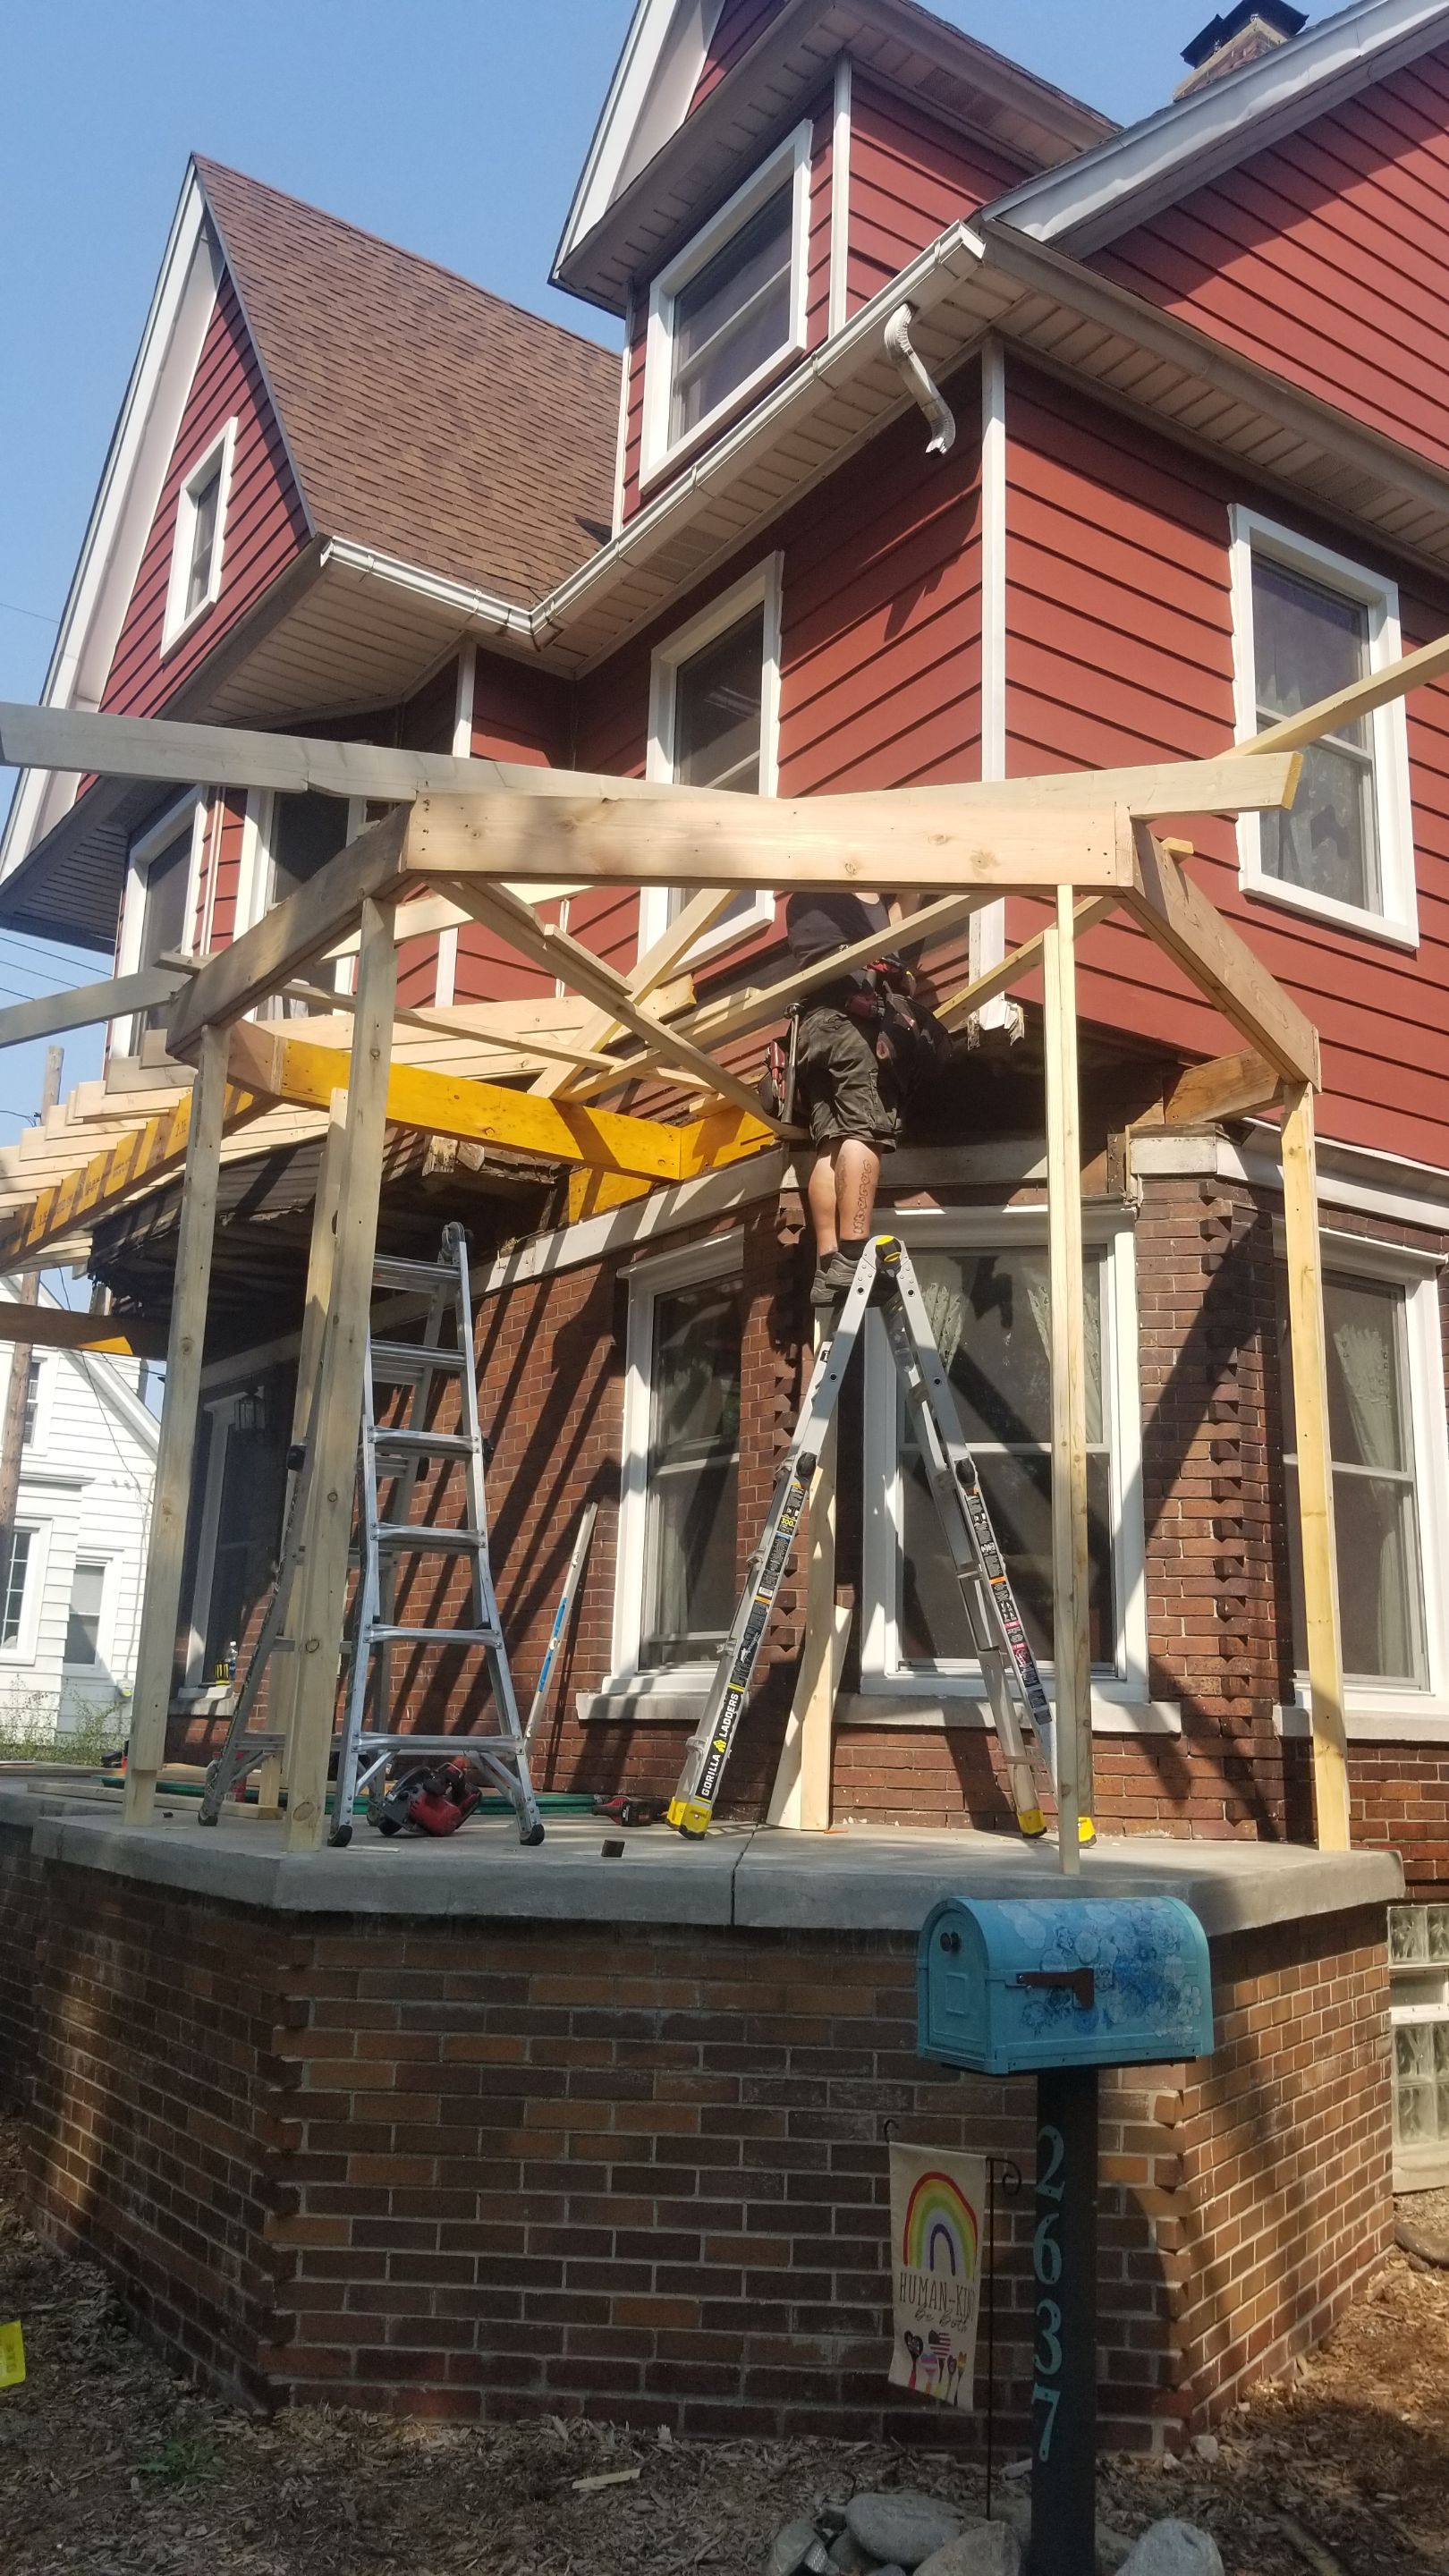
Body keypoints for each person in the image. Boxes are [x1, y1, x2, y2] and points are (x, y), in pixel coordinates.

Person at [784, 888, 949, 1309]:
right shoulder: (836, 899)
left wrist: (907, 901)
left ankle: (830, 1263)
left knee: (831, 1143)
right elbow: (895, 972)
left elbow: (895, 941)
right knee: (864, 1131)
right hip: (852, 1027)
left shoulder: (808, 903)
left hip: (812, 1033)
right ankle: (856, 1255)